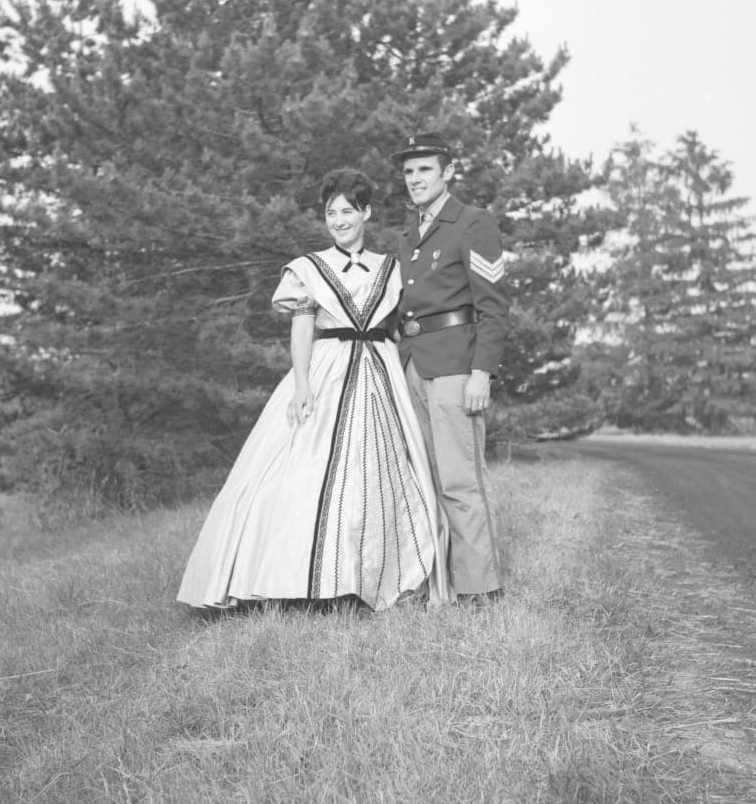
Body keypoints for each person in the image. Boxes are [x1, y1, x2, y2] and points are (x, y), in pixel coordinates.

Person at [177, 169, 450, 614]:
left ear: (366, 213)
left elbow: (401, 328)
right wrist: (302, 384)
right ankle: (292, 580)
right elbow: (302, 328)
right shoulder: (307, 269)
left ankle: (372, 578)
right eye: (330, 213)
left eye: (347, 211)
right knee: (297, 474)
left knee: (381, 474)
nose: (339, 220)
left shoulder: (392, 267)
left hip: (379, 369)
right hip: (327, 368)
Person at [390, 132, 511, 604]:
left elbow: (495, 304)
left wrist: (483, 371)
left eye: (424, 169)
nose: (415, 179)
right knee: (423, 480)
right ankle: (436, 584)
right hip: (413, 367)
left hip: (457, 365)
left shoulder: (472, 223)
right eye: (408, 172)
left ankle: (480, 590)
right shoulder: (407, 237)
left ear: (448, 172)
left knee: (461, 481)